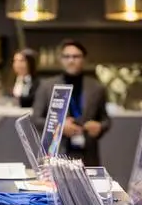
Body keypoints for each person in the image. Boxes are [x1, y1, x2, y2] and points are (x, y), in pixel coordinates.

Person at [31, 39, 110, 167]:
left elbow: (106, 120)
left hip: (88, 154)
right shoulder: (46, 86)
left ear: (84, 59)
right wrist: (60, 127)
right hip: (56, 152)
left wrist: (100, 127)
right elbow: (36, 119)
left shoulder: (96, 87)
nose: (71, 60)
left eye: (76, 56)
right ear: (60, 60)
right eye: (66, 56)